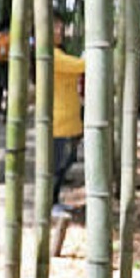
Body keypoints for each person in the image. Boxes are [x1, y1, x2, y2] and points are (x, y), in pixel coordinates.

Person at [51, 14, 85, 214]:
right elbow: (80, 65)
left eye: (60, 28)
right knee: (56, 165)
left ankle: (55, 200)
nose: (59, 33)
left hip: (69, 118)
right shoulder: (51, 55)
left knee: (67, 161)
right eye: (55, 29)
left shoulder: (58, 53)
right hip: (58, 120)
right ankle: (50, 203)